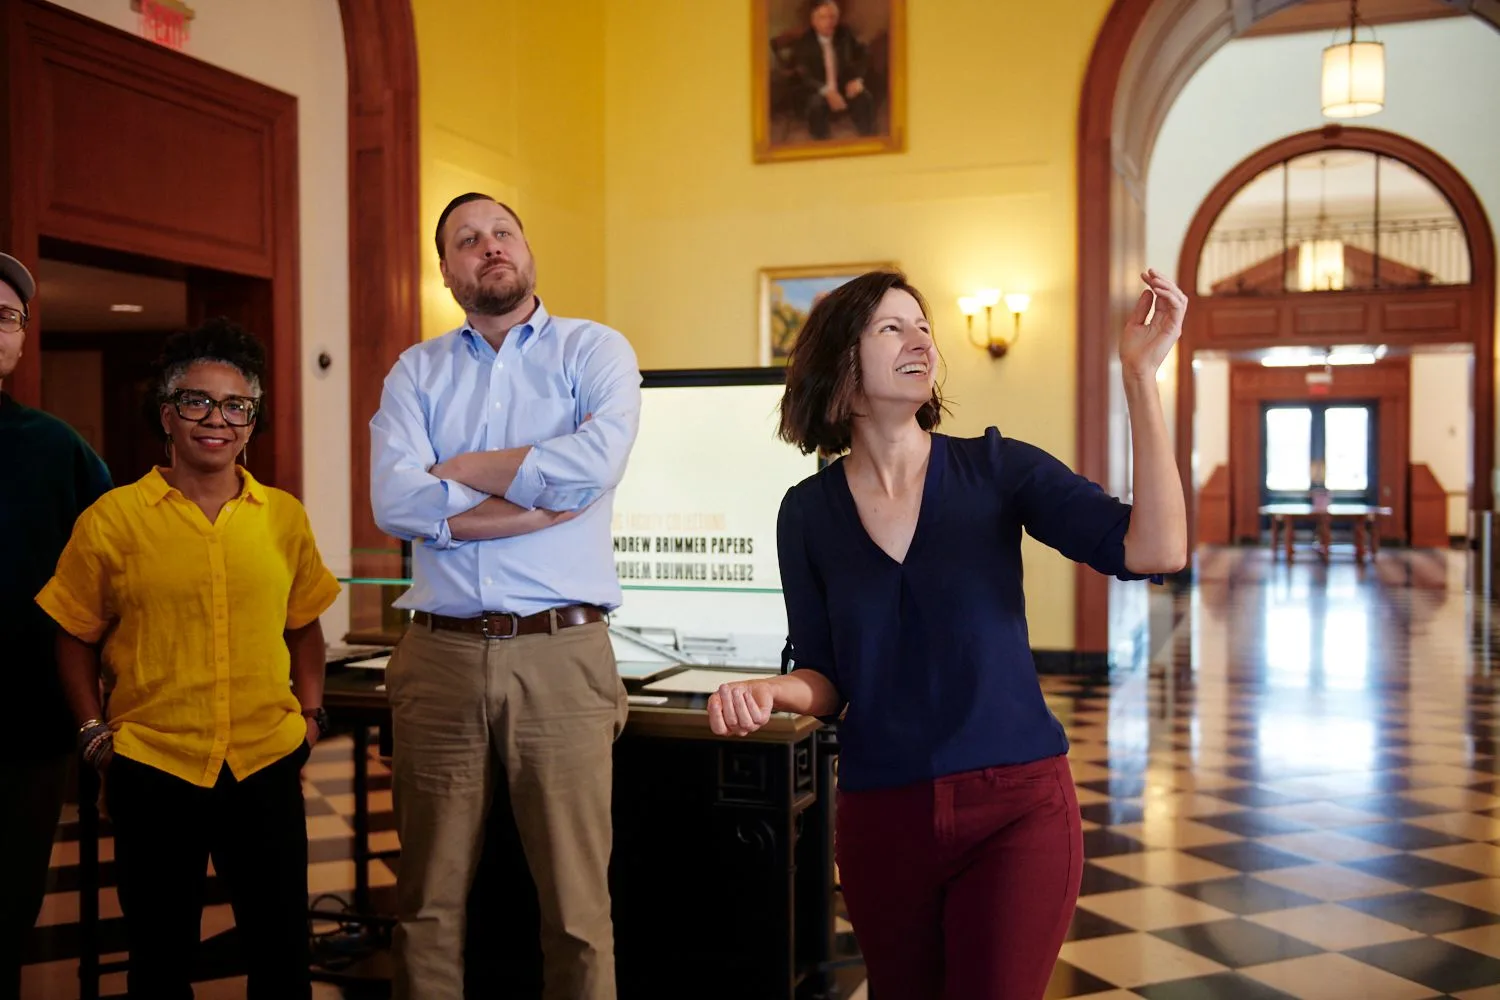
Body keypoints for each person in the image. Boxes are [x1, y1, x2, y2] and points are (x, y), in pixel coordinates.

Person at [707, 269, 1188, 998]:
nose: (921, 339)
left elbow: (1156, 551)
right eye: (891, 328)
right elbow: (826, 677)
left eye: (923, 325)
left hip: (1017, 807)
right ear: (842, 362)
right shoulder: (806, 513)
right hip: (880, 817)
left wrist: (1140, 376)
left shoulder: (998, 469)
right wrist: (775, 689)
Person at [370, 193, 641, 1000]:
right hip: (439, 657)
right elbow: (394, 502)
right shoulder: (415, 372)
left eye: (502, 233)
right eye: (467, 240)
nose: (489, 247)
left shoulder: (594, 351)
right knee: (426, 902)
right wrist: (531, 500)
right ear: (448, 270)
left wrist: (454, 472)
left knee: (577, 908)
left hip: (563, 655)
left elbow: (592, 467)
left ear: (525, 248)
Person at [37, 319, 340, 1000]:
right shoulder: (112, 519)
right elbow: (73, 632)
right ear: (167, 415)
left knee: (281, 951)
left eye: (237, 407)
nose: (218, 420)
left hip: (264, 760)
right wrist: (91, 732)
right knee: (160, 957)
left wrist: (311, 715)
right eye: (197, 402)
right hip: (154, 765)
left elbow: (306, 626)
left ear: (251, 422)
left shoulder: (282, 517)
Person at [0, 252, 112, 1000]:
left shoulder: (54, 447)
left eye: (8, 316)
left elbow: (122, 562)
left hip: (22, 726)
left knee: (6, 910)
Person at [792, 0, 877, 140]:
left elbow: (862, 54)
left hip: (843, 85)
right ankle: (822, 146)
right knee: (816, 105)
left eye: (832, 17)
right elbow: (804, 76)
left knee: (865, 98)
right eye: (823, 17)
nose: (829, 22)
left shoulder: (844, 34)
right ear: (814, 21)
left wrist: (857, 79)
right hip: (817, 89)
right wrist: (827, 91)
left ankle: (869, 142)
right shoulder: (804, 43)